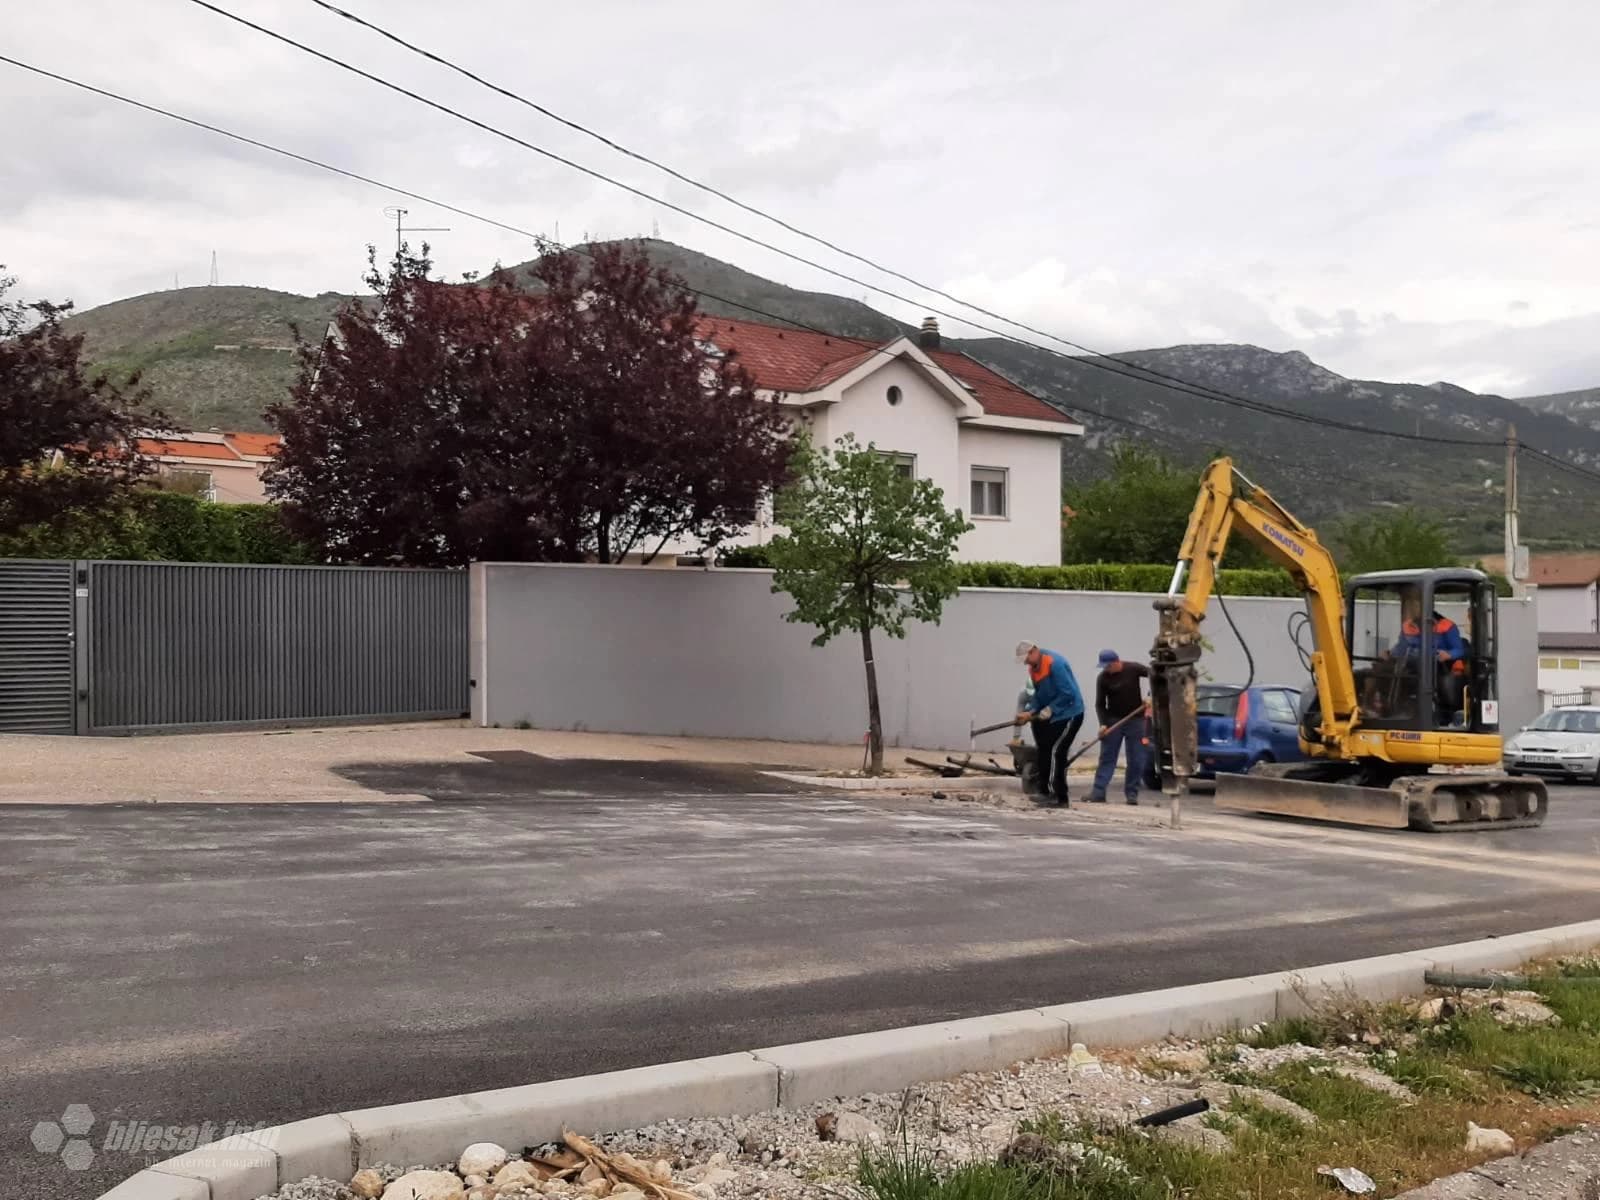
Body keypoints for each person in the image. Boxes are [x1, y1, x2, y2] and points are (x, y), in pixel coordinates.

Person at [1015, 640, 1086, 806]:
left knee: (1056, 752)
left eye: (1027, 658)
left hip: (1070, 713)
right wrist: (1030, 711)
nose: (1026, 663)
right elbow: (1039, 695)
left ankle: (1059, 796)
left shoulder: (1055, 664)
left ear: (1034, 651)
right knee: (1044, 750)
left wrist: (1050, 709)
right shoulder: (1033, 669)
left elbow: (1068, 693)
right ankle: (1044, 791)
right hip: (1053, 715)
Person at [1088, 649, 1150, 805]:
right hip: (1113, 721)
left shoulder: (1133, 668)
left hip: (1136, 721)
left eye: (1108, 666)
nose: (1106, 669)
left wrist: (1151, 696)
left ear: (1117, 662)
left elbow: (1156, 676)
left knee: (1136, 759)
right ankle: (1098, 793)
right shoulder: (1103, 678)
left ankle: (1132, 794)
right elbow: (1100, 704)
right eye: (1104, 666)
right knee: (1107, 758)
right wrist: (1103, 724)